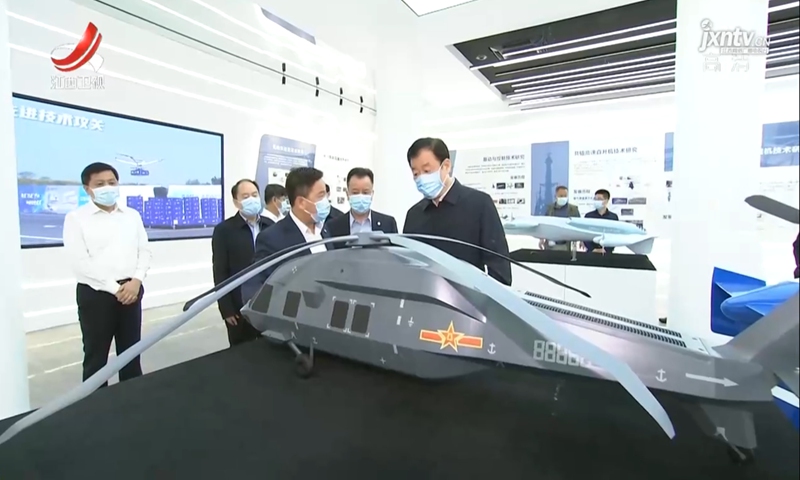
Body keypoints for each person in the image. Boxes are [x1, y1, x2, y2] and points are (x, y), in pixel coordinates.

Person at [62, 162, 151, 386]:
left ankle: (133, 398)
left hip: (132, 290)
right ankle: (96, 403)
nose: (107, 187)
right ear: (87, 189)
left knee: (131, 353)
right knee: (96, 357)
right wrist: (116, 289)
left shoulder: (131, 215)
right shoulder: (76, 218)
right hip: (97, 295)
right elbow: (81, 263)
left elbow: (144, 251)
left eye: (112, 182)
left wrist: (136, 280)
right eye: (100, 184)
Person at [403, 137, 512, 286]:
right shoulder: (414, 215)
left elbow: (499, 266)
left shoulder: (479, 204)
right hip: (426, 296)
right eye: (416, 173)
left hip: (470, 297)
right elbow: (409, 266)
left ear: (446, 166)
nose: (421, 178)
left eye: (427, 171)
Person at [241, 167, 333, 301]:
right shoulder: (272, 238)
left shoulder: (325, 230)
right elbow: (254, 288)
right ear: (301, 202)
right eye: (321, 196)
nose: (326, 201)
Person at [211, 179, 277, 347]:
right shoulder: (224, 230)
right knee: (241, 351)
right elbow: (220, 270)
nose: (252, 199)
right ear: (236, 202)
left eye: (254, 195)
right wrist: (226, 308)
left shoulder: (270, 226)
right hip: (239, 303)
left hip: (269, 300)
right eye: (246, 196)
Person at [326, 167, 399, 241]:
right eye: (355, 192)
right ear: (347, 194)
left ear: (372, 194)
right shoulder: (332, 226)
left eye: (365, 192)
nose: (360, 196)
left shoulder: (388, 224)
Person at [539, 185, 581, 251]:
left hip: (566, 245)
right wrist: (541, 239)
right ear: (555, 196)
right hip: (551, 244)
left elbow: (579, 226)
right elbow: (544, 225)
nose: (563, 198)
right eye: (561, 196)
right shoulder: (550, 208)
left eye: (565, 196)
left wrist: (581, 240)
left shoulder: (573, 209)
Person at [583, 189, 620, 253]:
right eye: (595, 199)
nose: (596, 201)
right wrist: (592, 249)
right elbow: (585, 235)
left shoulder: (613, 217)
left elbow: (615, 236)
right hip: (591, 252)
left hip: (607, 252)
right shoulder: (588, 216)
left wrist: (607, 250)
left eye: (599, 199)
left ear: (606, 201)